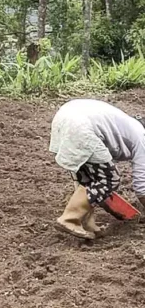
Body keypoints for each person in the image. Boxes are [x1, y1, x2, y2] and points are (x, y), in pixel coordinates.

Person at [49, 98, 145, 240]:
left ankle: (88, 224)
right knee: (108, 179)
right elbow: (142, 187)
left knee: (91, 178)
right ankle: (69, 219)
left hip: (64, 118)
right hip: (80, 126)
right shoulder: (141, 138)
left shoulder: (128, 125)